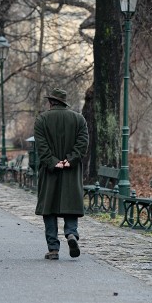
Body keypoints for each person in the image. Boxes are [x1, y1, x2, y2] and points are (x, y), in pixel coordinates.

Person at [34, 88, 89, 260]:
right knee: (70, 205)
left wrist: (53, 162)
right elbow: (82, 145)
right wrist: (68, 161)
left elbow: (41, 147)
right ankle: (71, 234)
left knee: (49, 209)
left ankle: (53, 248)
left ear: (51, 102)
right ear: (64, 102)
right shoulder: (79, 119)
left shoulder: (42, 119)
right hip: (71, 171)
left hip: (50, 171)